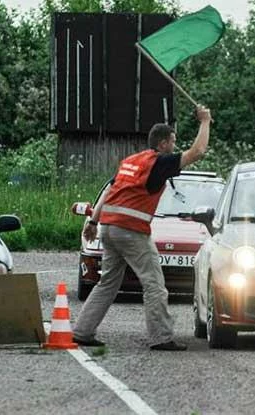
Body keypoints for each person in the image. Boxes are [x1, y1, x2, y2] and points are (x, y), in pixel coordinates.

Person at [72, 105, 213, 351]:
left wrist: (94, 220)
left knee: (107, 283)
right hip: (131, 230)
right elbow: (198, 151)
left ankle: (82, 331)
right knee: (154, 284)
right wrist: (205, 122)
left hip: (109, 228)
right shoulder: (159, 163)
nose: (174, 146)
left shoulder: (131, 162)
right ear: (162, 144)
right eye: (172, 142)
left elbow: (109, 190)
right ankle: (161, 337)